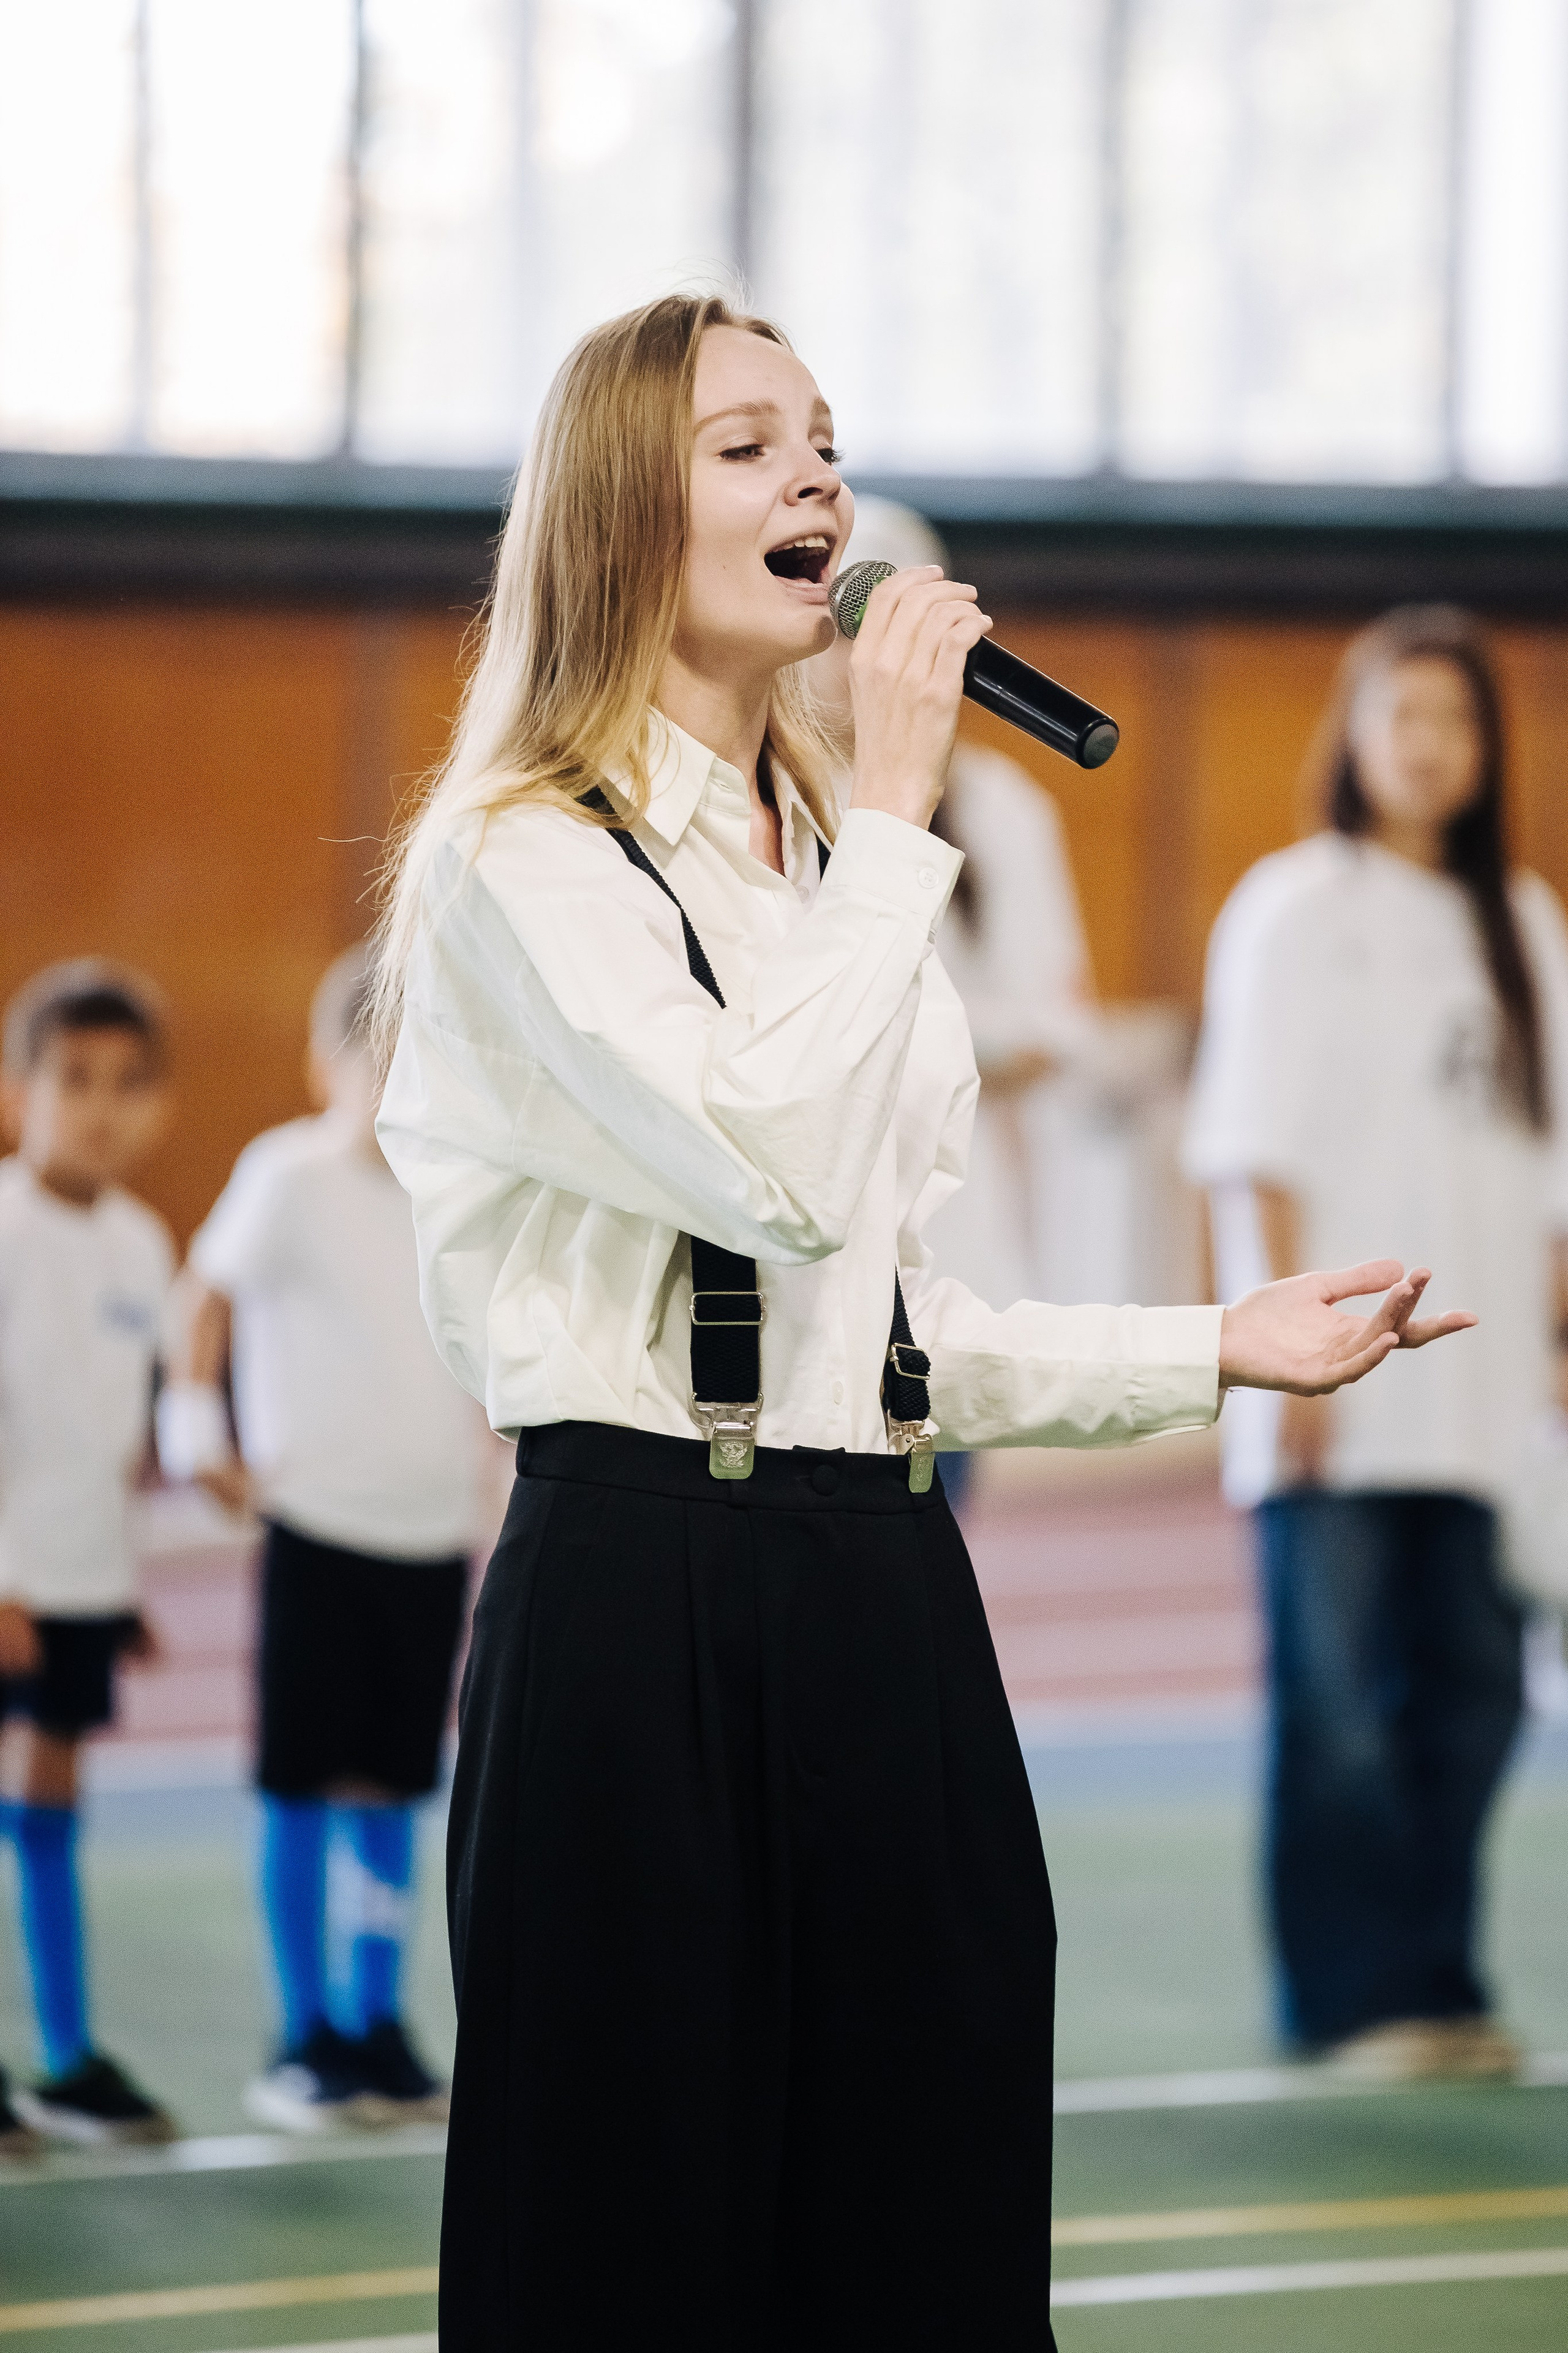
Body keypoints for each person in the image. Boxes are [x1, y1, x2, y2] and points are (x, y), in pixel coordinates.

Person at [371, 292, 1473, 2348]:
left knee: (928, 2223)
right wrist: (894, 805)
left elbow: (887, 1326)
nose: (820, 477)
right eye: (749, 444)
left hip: (880, 1574)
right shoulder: (523, 862)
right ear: (619, 516)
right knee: (630, 2248)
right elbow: (761, 1163)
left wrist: (1218, 1343)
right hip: (637, 1595)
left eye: (828, 438)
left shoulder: (828, 868)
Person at [1183, 604, 1568, 2079]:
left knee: (1469, 1697)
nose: (1426, 745)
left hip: (1479, 1403)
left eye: (1454, 720)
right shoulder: (1295, 906)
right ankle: (1348, 2002)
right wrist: (1291, 1355)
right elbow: (1247, 1148)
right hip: (1333, 1388)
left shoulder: (1520, 923)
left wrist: (1544, 1353)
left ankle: (1438, 1981)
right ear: (1351, 735)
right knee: (1336, 1707)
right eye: (1399, 715)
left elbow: (1543, 1173)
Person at [157, 946, 496, 2131]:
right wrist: (197, 1427)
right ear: (328, 1063)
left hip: (424, 1535)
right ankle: (303, 2034)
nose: (399, 1081)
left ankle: (377, 2022)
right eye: (380, 1055)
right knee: (304, 1779)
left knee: (397, 1787)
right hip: (316, 1529)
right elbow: (203, 1296)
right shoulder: (286, 1175)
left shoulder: (454, 1193)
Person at [809, 496, 1096, 1510]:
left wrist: (878, 1030)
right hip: (796, 1264)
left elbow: (1054, 1032)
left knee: (916, 1553)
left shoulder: (1004, 808)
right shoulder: (763, 793)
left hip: (947, 1258)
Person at [0, 961, 176, 2148]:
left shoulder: (144, 1243)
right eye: (73, 1079)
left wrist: (121, 1579)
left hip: (77, 1577)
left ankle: (66, 2056)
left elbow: (116, 1436)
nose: (98, 1106)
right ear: (22, 1091)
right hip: (6, 1580)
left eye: (124, 1084)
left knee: (54, 1797)